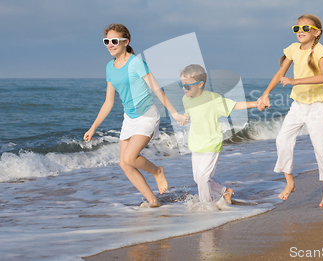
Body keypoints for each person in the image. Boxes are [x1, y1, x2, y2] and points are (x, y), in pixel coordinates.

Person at [84, 23, 188, 207]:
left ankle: (157, 172)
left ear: (126, 42)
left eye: (114, 41)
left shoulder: (136, 63)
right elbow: (109, 102)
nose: (110, 44)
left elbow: (156, 89)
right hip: (130, 118)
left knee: (130, 158)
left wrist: (175, 114)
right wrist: (93, 127)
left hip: (147, 115)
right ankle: (153, 201)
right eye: (106, 41)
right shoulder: (110, 67)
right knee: (124, 164)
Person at [257, 14, 323, 207]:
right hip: (298, 105)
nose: (300, 32)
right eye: (297, 29)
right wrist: (265, 94)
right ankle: (290, 182)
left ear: (316, 32)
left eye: (305, 28)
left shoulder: (320, 50)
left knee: (321, 148)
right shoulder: (293, 49)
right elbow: (280, 73)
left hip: (317, 106)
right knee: (282, 140)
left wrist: (295, 81)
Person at [180, 64, 257, 205]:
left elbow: (234, 105)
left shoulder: (213, 99)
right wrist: (184, 118)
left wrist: (256, 103)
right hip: (196, 143)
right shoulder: (186, 99)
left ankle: (207, 207)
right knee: (198, 179)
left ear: (200, 84)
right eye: (182, 85)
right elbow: (188, 112)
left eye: (187, 86)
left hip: (211, 142)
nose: (184, 89)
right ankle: (224, 191)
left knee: (203, 178)